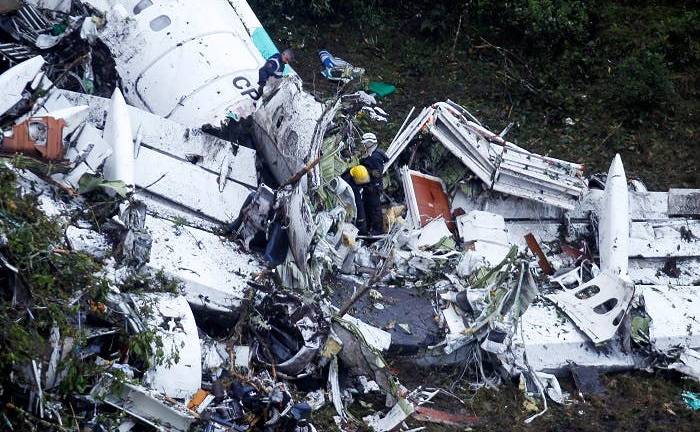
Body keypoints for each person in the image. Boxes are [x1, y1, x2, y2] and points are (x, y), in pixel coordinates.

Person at [358, 132, 388, 235]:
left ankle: (377, 231)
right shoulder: (373, 154)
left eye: (365, 143)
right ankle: (370, 229)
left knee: (374, 210)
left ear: (370, 143)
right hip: (369, 187)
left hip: (373, 187)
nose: (364, 145)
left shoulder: (376, 157)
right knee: (368, 208)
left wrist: (368, 171)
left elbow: (377, 174)